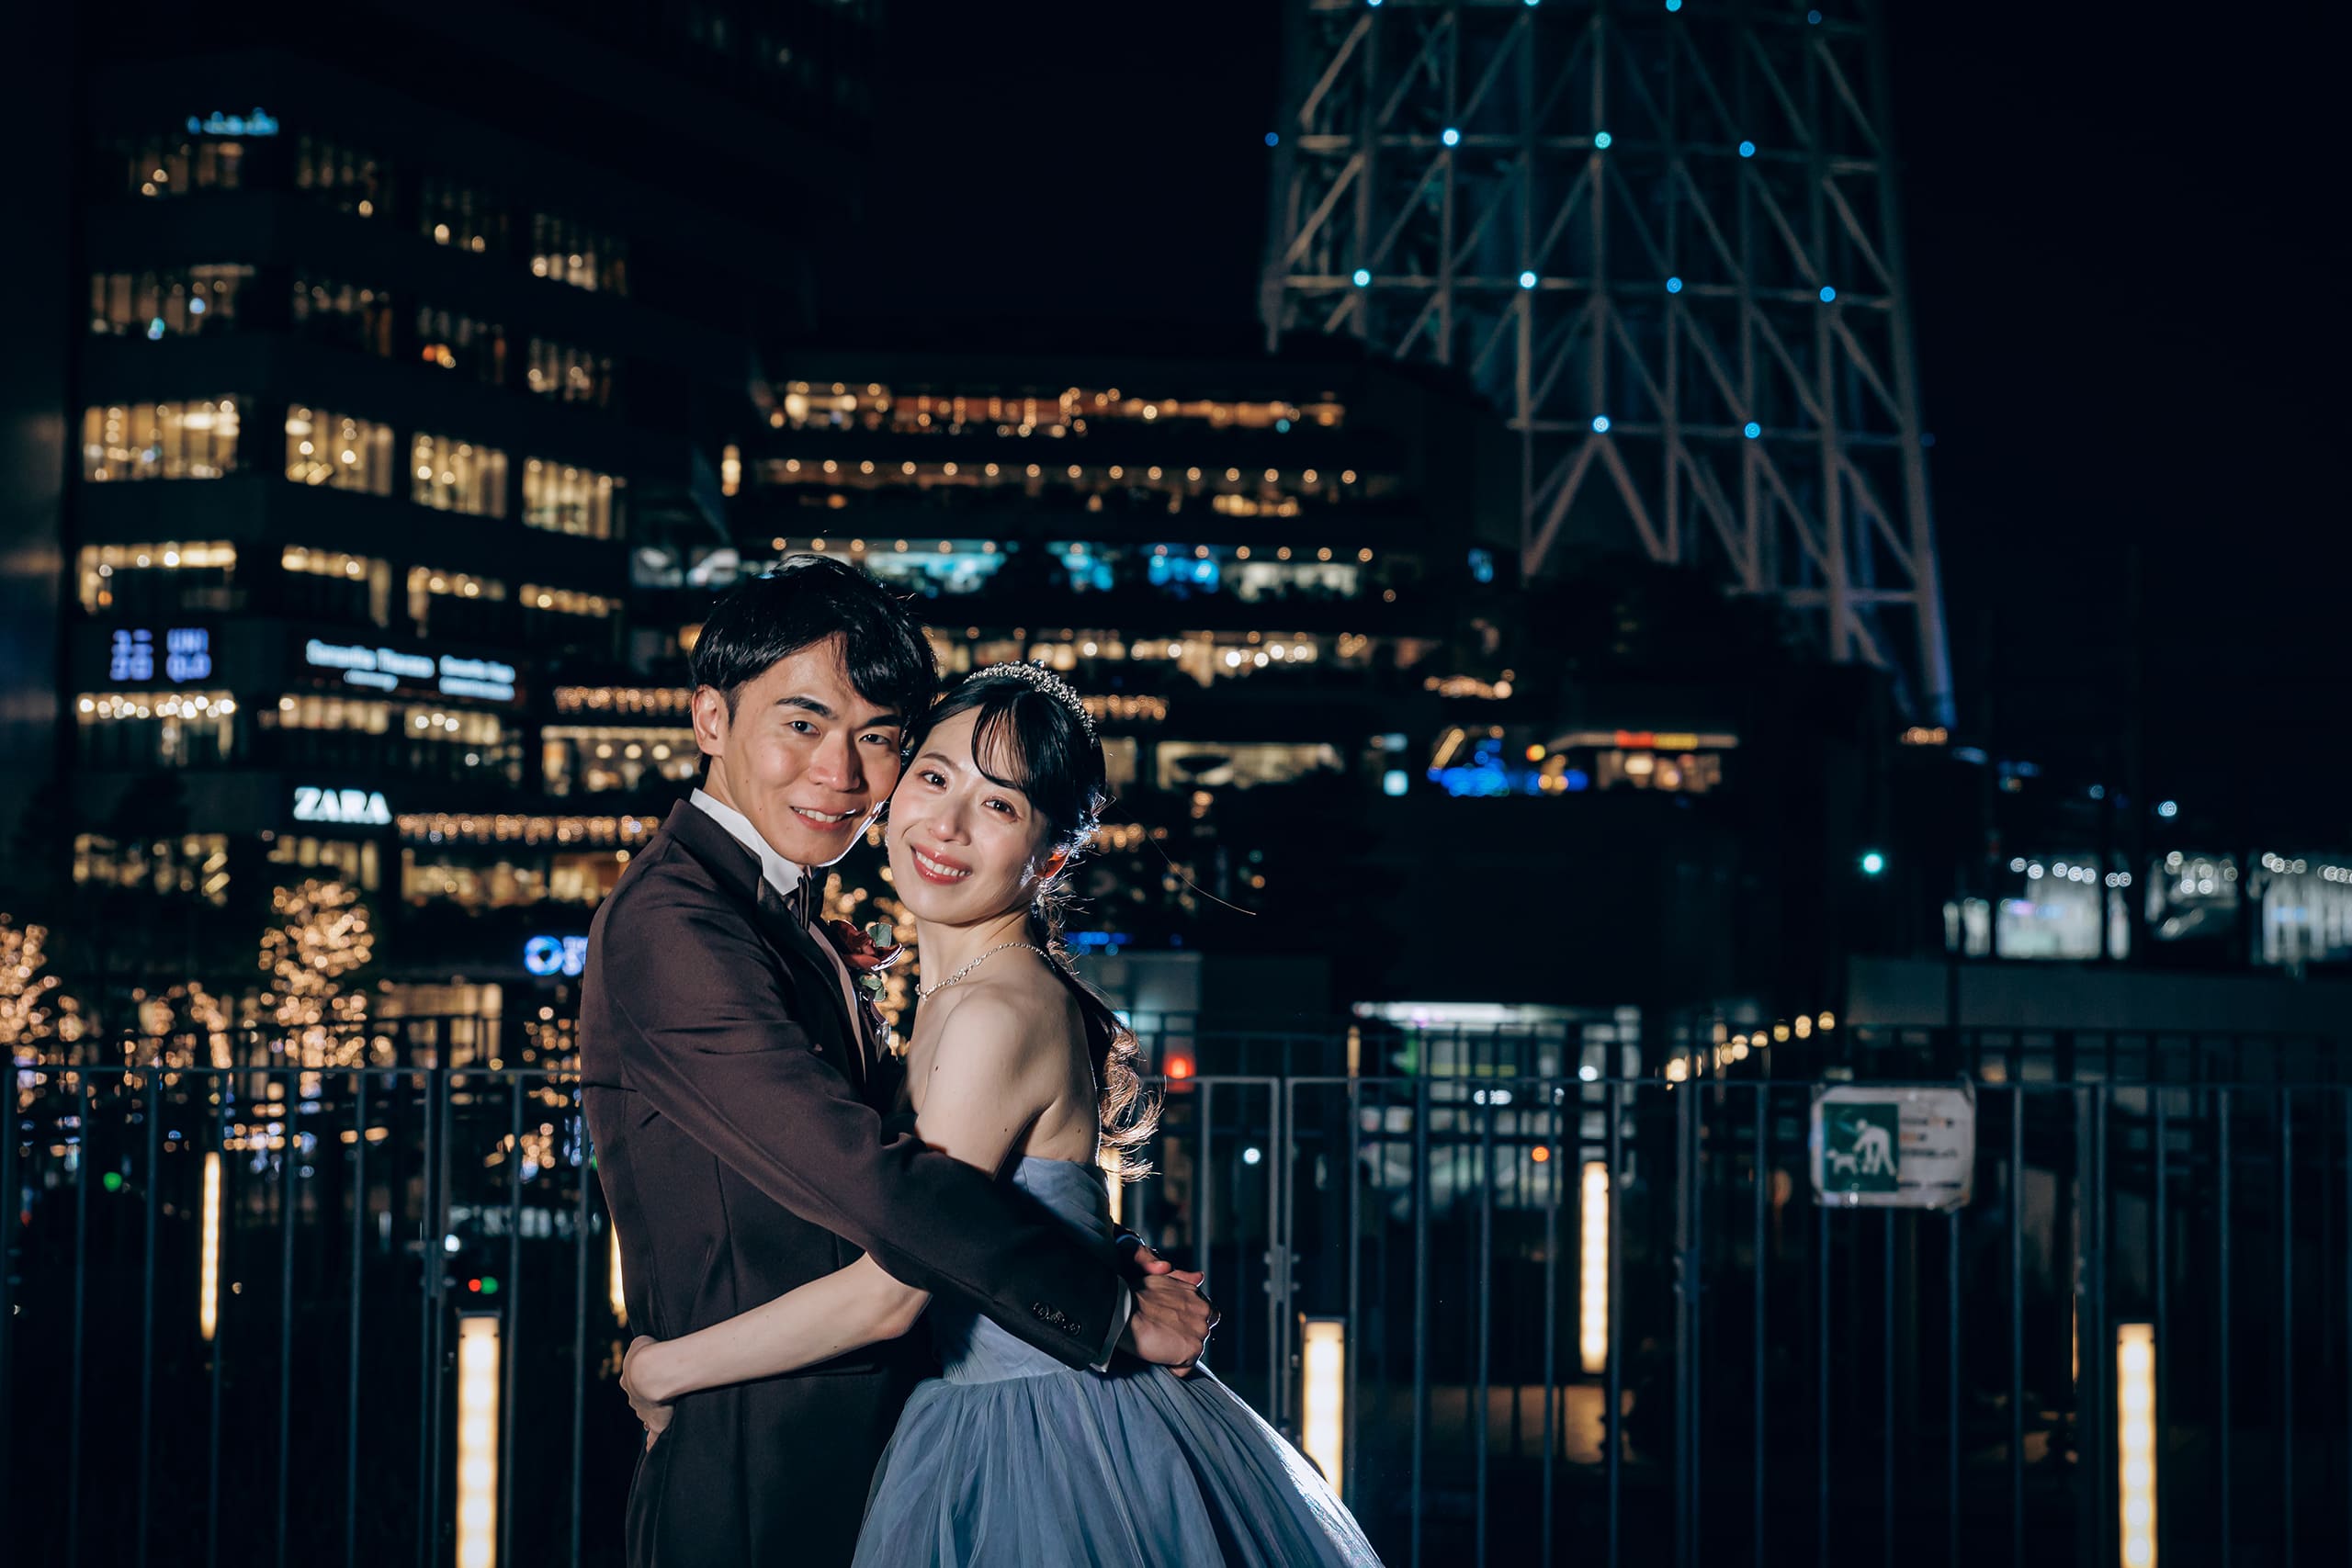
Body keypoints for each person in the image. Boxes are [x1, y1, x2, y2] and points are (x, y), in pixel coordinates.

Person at [619, 660, 1384, 1566]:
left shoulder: (995, 1013)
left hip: (1045, 1435)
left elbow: (891, 1291)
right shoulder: (959, 993)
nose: (945, 825)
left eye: (998, 805)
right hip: (1001, 1406)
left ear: (1049, 858)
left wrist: (662, 1365)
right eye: (934, 777)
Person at [578, 559, 1217, 1568]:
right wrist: (1104, 1303)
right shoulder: (677, 923)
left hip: (863, 1434)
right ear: (710, 718)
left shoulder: (787, 916)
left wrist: (1083, 1257)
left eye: (877, 738)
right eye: (802, 723)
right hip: (756, 1449)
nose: (841, 772)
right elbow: (871, 1179)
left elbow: (912, 1186)